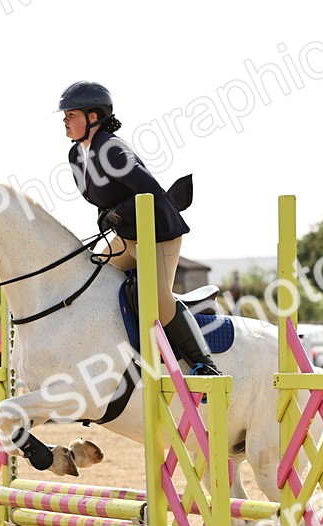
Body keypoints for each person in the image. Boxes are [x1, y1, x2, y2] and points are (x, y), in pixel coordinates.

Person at [59, 80, 219, 376]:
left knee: (156, 301)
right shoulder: (76, 155)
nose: (65, 121)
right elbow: (102, 196)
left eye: (71, 115)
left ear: (93, 117)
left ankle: (205, 364)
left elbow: (151, 190)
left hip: (157, 234)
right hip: (127, 237)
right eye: (65, 115)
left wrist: (117, 214)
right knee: (91, 277)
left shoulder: (112, 149)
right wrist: (105, 215)